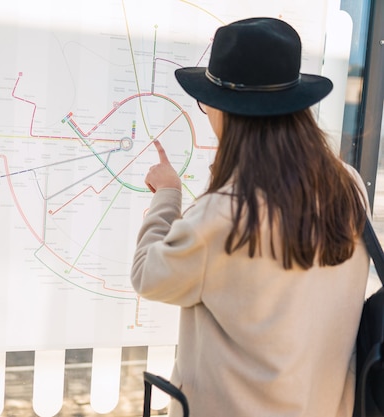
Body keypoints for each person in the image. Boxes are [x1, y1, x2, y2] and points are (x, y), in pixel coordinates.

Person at [131, 17, 370, 417]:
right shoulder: (347, 185)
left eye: (206, 101)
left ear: (226, 110)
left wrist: (168, 196)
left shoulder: (227, 213)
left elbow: (148, 275)